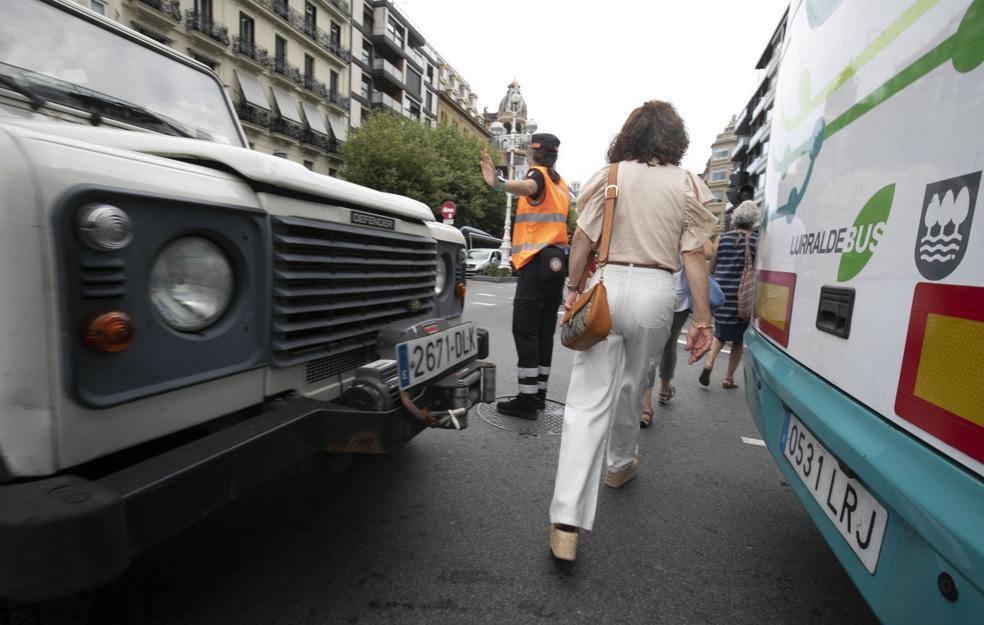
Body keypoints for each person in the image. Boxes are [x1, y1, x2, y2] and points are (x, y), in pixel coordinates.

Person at [548, 101, 717, 561]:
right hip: (656, 291)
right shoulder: (687, 185)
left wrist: (571, 289)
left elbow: (581, 240)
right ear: (675, 139)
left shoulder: (612, 175)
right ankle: (620, 465)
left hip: (607, 286)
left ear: (631, 134)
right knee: (632, 384)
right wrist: (702, 320)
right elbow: (694, 257)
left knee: (586, 400)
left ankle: (566, 523)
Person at [480, 134, 570, 420]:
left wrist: (499, 183)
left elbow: (530, 186)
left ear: (533, 153)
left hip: (534, 263)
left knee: (525, 329)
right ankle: (539, 393)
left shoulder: (539, 175)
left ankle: (527, 400)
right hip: (555, 264)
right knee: (544, 331)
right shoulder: (561, 183)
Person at [638, 240, 714, 427]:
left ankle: (646, 404)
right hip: (676, 296)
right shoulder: (687, 216)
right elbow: (708, 251)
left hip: (652, 289)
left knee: (649, 346)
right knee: (668, 345)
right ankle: (663, 389)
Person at [699, 200, 760, 389]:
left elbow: (711, 267)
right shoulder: (756, 241)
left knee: (720, 333)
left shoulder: (722, 238)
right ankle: (728, 377)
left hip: (722, 295)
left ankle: (709, 362)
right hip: (743, 297)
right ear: (753, 220)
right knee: (738, 339)